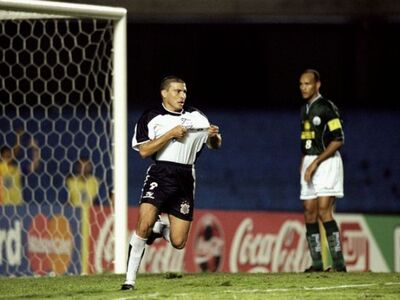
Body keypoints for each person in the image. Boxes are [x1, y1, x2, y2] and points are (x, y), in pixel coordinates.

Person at [121, 75, 222, 290]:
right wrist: (170, 134)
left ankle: (157, 229)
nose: (182, 96)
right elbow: (144, 151)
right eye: (177, 91)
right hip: (160, 173)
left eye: (184, 91)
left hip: (186, 176)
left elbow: (215, 145)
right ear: (164, 93)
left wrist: (213, 136)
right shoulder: (151, 116)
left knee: (178, 242)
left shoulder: (197, 116)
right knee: (143, 223)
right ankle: (129, 281)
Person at [299, 69, 347, 272]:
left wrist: (316, 162)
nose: (303, 87)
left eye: (307, 84)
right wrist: (304, 165)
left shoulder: (327, 108)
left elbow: (338, 140)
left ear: (318, 84)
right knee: (309, 212)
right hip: (309, 162)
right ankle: (317, 264)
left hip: (326, 162)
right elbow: (305, 141)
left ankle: (339, 265)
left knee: (323, 211)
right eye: (301, 84)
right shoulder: (305, 109)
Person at [0, 130, 40, 205]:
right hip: (3, 205)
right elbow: (15, 151)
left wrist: (35, 149)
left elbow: (34, 166)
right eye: (5, 156)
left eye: (9, 155)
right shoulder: (1, 167)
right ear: (1, 157)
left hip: (18, 205)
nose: (8, 157)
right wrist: (18, 137)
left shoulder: (17, 168)